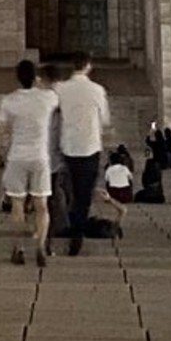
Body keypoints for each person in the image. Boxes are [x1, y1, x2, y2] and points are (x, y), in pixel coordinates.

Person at [0, 57, 59, 269]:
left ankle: (18, 248)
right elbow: (55, 95)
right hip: (40, 156)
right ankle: (40, 247)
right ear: (35, 77)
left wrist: (1, 155)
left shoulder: (9, 100)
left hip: (17, 156)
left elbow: (4, 133)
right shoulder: (48, 98)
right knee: (42, 206)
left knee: (17, 206)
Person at [56, 51, 112, 257]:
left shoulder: (61, 89)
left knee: (70, 191)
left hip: (68, 146)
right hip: (90, 146)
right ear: (88, 66)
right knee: (84, 195)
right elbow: (105, 119)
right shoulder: (97, 90)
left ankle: (73, 227)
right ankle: (78, 231)